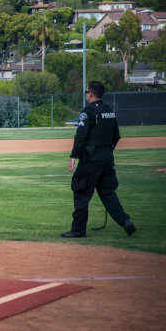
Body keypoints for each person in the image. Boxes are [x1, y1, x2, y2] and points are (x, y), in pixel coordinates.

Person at [62, 81, 136, 238]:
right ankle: (125, 220)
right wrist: (107, 151)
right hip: (107, 157)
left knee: (81, 191)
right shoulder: (109, 110)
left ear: (91, 93)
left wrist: (73, 156)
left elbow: (80, 136)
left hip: (90, 158)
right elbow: (116, 135)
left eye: (86, 92)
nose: (86, 94)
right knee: (107, 192)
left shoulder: (87, 112)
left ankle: (78, 229)